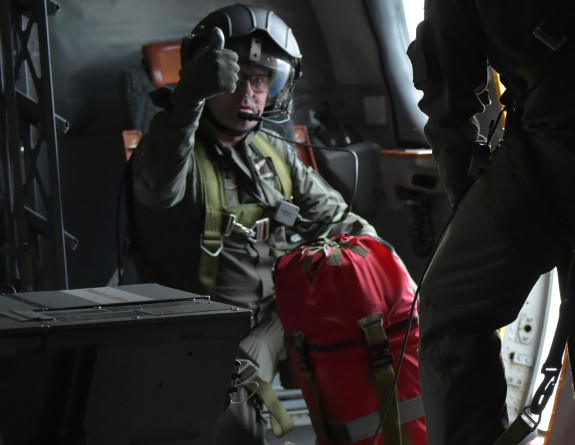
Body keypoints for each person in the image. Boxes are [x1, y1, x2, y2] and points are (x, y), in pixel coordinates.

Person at [128, 4, 377, 444]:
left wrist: (380, 275)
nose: (248, 92)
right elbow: (158, 188)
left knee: (377, 358)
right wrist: (187, 100)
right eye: (234, 77)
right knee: (237, 405)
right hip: (203, 324)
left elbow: (342, 223)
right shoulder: (170, 148)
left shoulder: (274, 154)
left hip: (279, 315)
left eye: (260, 79)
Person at [407, 1, 575, 444]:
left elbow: (448, 82)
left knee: (452, 311)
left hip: (550, 153)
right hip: (547, 151)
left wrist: (469, 193)